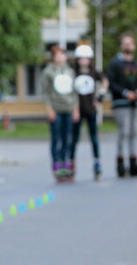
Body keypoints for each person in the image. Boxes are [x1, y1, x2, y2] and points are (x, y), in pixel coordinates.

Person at [107, 32, 137, 178]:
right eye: (125, 42)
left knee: (134, 132)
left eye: (130, 42)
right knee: (124, 132)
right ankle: (121, 163)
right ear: (122, 46)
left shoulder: (136, 64)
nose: (128, 45)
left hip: (135, 104)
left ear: (134, 46)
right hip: (121, 103)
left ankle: (134, 162)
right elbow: (111, 83)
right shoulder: (115, 63)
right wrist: (125, 93)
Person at [41, 45, 79, 182]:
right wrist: (49, 109)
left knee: (66, 138)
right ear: (53, 57)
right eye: (57, 55)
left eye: (62, 54)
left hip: (68, 109)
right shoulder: (48, 72)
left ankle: (65, 163)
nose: (60, 57)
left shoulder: (70, 71)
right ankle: (56, 164)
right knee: (56, 138)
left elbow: (74, 92)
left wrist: (75, 109)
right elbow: (45, 93)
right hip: (56, 109)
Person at [70, 44, 105, 181]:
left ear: (90, 59)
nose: (84, 61)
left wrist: (100, 96)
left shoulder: (94, 72)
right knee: (74, 138)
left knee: (94, 137)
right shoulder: (73, 72)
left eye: (86, 58)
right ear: (78, 59)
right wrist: (74, 108)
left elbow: (104, 82)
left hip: (91, 109)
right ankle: (71, 163)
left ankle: (97, 163)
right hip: (78, 110)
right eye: (81, 58)